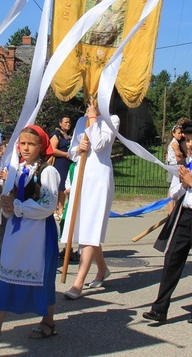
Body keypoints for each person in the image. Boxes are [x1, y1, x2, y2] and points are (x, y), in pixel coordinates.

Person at [0, 125, 60, 342]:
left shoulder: (47, 172)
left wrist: (18, 206)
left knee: (42, 277)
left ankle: (48, 321)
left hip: (39, 233)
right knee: (8, 274)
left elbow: (48, 205)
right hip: (16, 231)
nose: (26, 148)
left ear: (41, 146)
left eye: (31, 144)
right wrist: (7, 205)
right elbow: (10, 202)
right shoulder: (17, 169)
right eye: (22, 143)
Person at [142, 121, 192, 324]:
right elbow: (174, 192)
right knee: (172, 260)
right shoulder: (185, 164)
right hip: (183, 216)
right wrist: (181, 184)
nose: (191, 145)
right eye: (188, 140)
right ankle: (160, 308)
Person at [62, 99, 119, 300]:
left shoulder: (113, 119)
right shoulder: (80, 121)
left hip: (99, 178)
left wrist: (93, 117)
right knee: (85, 226)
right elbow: (71, 151)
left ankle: (78, 282)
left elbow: (101, 144)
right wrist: (79, 148)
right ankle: (102, 269)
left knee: (90, 227)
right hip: (81, 176)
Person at [50, 115, 72, 257]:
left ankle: (62, 209)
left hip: (68, 163)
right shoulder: (56, 134)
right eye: (66, 122)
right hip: (60, 162)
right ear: (60, 123)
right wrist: (66, 154)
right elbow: (53, 149)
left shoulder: (70, 136)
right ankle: (56, 210)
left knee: (64, 188)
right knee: (59, 187)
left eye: (69, 122)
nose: (68, 124)